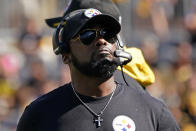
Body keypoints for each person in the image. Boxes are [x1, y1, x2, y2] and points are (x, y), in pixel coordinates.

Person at [16, 8, 180, 131]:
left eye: (108, 34)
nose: (101, 41)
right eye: (87, 35)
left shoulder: (153, 111)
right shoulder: (39, 115)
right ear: (66, 55)